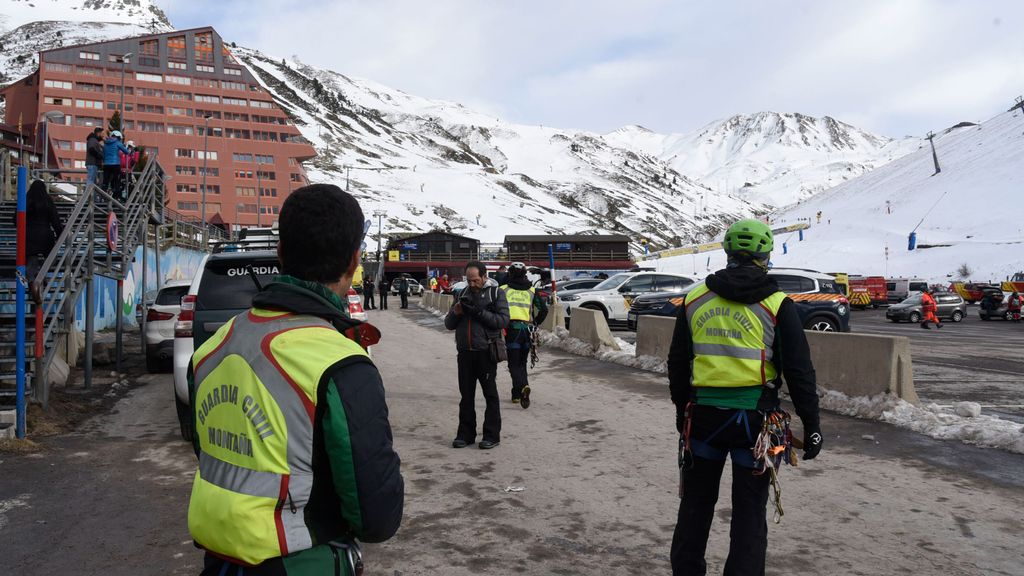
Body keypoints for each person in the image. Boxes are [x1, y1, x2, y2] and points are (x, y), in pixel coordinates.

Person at [187, 184, 404, 575]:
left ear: (281, 252)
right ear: (355, 261)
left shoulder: (214, 345)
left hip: (218, 560)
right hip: (302, 561)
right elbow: (377, 516)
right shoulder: (340, 363)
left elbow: (205, 447)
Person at [667, 218, 821, 575]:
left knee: (695, 507)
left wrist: (681, 412)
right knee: (750, 513)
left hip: (703, 420)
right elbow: (799, 371)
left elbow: (677, 363)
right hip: (756, 425)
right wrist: (812, 424)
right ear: (766, 255)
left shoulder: (695, 298)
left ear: (727, 252)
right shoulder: (777, 304)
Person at [444, 261, 510, 449]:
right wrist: (456, 313)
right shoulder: (461, 294)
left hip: (486, 352)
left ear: (484, 277)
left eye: (475, 280)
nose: (472, 284)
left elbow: (503, 320)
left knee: (490, 395)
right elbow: (449, 324)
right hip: (465, 353)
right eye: (468, 280)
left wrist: (479, 312)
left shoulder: (496, 294)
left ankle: (491, 435)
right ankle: (465, 434)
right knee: (466, 396)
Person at [500, 262, 547, 408]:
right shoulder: (532, 290)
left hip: (511, 330)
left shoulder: (503, 289)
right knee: (522, 363)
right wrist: (536, 323)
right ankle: (516, 395)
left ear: (511, 274)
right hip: (527, 331)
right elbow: (544, 310)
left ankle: (523, 386)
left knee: (513, 364)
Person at [12, 180, 63, 302]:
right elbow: (55, 221)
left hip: (28, 236)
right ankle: (41, 275)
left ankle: (31, 282)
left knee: (31, 261)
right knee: (52, 258)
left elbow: (15, 220)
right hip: (45, 236)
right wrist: (60, 235)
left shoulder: (25, 201)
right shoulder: (47, 201)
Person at [102, 130, 130, 198]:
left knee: (105, 181)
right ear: (118, 137)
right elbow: (127, 152)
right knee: (117, 181)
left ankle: (103, 196)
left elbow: (103, 154)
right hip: (115, 164)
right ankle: (116, 197)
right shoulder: (118, 143)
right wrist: (125, 147)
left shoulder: (105, 143)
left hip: (106, 164)